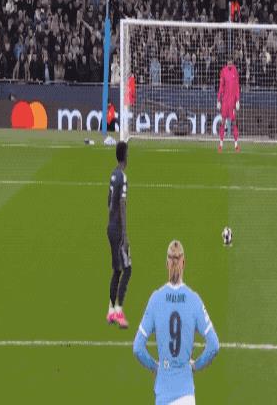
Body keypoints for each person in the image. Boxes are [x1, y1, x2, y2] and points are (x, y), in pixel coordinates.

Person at [133, 240, 219, 405]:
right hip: (186, 395)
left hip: (164, 395)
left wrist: (156, 367)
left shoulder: (156, 299)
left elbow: (138, 348)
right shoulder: (194, 300)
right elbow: (214, 345)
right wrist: (195, 366)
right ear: (183, 263)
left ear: (167, 263)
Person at [106, 141, 132, 328]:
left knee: (117, 269)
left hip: (110, 227)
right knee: (127, 269)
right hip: (117, 230)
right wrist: (124, 234)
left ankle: (110, 312)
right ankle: (119, 311)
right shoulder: (122, 177)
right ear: (125, 156)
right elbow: (122, 204)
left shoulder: (113, 174)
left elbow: (109, 202)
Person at [217, 55, 241, 152]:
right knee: (223, 121)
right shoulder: (223, 71)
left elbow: (237, 86)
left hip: (233, 102)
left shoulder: (235, 71)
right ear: (227, 62)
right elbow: (221, 86)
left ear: (232, 62)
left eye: (231, 62)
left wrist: (238, 100)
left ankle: (236, 145)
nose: (230, 63)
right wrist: (219, 100)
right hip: (225, 101)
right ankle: (220, 144)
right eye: (228, 62)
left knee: (234, 122)